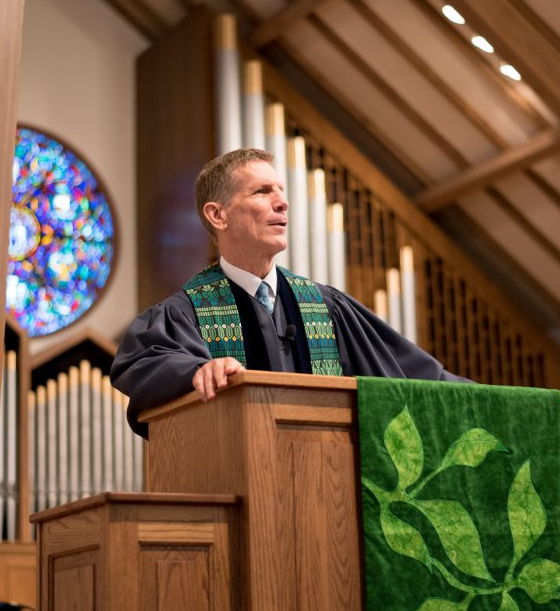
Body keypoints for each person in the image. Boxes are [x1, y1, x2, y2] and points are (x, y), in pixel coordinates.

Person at [111, 148, 468, 436]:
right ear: (217, 215)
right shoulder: (185, 313)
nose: (282, 203)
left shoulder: (326, 308)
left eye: (281, 192)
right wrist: (195, 372)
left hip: (329, 493)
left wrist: (493, 401)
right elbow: (143, 363)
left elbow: (415, 378)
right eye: (262, 192)